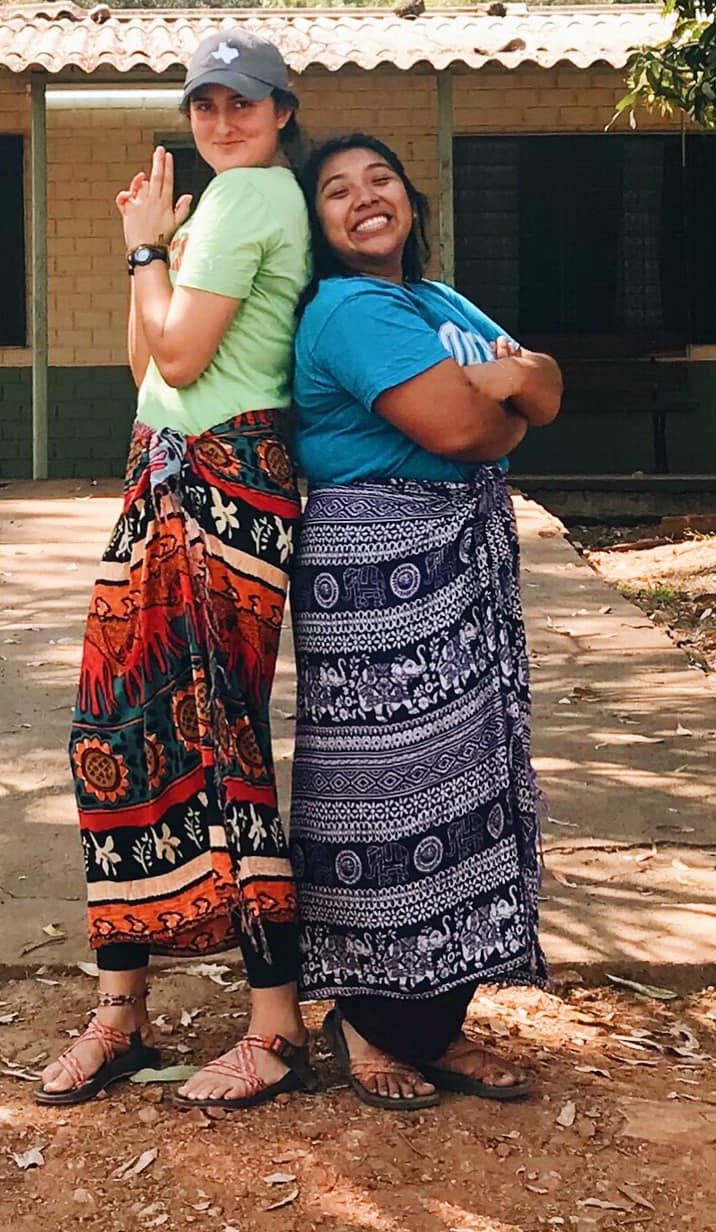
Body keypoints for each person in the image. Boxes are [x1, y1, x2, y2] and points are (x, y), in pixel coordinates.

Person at [38, 29, 316, 1111]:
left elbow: (185, 357)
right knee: (119, 734)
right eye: (204, 102)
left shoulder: (251, 199)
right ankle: (122, 1008)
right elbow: (141, 360)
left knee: (215, 735)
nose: (220, 118)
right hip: (161, 475)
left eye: (242, 101)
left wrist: (150, 253)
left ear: (280, 108)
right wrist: (143, 242)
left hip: (222, 482)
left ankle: (274, 1024)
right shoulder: (212, 206)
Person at [287, 132, 562, 1111]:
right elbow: (463, 427)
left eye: (380, 180)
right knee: (384, 788)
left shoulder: (439, 301)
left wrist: (518, 390)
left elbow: (548, 384)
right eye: (335, 191)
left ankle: (440, 1023)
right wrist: (504, 398)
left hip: (459, 561)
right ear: (315, 223)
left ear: (410, 197)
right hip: (377, 572)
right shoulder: (345, 308)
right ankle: (365, 1023)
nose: (364, 199)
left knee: (464, 784)